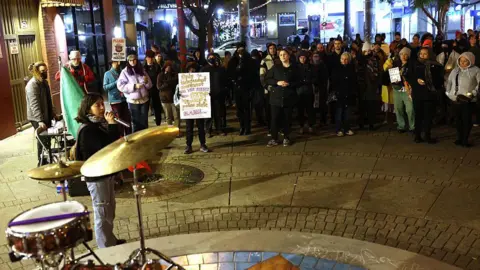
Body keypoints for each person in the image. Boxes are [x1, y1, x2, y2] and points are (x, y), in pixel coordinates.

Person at [74, 93, 125, 248]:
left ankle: (110, 240)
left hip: (106, 174)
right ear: (87, 109)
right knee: (102, 213)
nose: (102, 108)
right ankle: (105, 248)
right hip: (97, 178)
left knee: (109, 209)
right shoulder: (88, 130)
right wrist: (112, 125)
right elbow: (108, 148)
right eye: (97, 105)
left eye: (102, 104)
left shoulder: (97, 124)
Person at [407, 47, 443, 143]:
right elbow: (409, 76)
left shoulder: (435, 65)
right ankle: (417, 135)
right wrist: (416, 80)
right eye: (421, 53)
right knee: (418, 115)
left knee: (428, 116)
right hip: (418, 94)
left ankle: (427, 135)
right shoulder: (414, 64)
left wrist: (429, 82)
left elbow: (439, 80)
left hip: (429, 94)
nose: (422, 55)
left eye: (425, 54)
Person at [265, 49, 299, 147]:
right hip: (276, 98)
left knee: (287, 119)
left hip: (289, 97)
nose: (283, 56)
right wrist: (277, 82)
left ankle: (286, 137)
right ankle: (274, 138)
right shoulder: (276, 68)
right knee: (275, 119)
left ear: (288, 56)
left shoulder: (294, 68)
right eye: (280, 55)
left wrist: (290, 84)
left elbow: (299, 81)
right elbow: (267, 78)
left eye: (284, 54)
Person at [446, 52, 480, 147]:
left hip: (468, 101)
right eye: (461, 60)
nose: (463, 63)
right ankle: (459, 137)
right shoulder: (455, 70)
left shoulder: (476, 70)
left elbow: (479, 85)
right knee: (458, 120)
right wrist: (449, 93)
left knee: (466, 120)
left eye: (465, 61)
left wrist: (472, 93)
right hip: (455, 99)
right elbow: (449, 82)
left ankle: (465, 139)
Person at [26, 62, 56, 166]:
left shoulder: (44, 82)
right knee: (42, 138)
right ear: (37, 71)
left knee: (47, 138)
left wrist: (52, 113)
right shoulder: (32, 85)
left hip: (45, 114)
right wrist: (40, 121)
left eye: (46, 71)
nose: (45, 73)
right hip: (36, 117)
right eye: (43, 71)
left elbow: (48, 100)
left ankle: (46, 159)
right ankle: (41, 162)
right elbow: (35, 104)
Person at [117, 54, 152, 132]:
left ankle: (145, 138)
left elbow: (149, 85)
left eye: (134, 60)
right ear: (128, 61)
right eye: (130, 60)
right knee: (136, 122)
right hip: (133, 101)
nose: (132, 62)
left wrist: (146, 82)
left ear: (137, 60)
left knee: (144, 121)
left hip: (144, 100)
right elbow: (120, 86)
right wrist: (134, 86)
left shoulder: (141, 70)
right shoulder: (124, 72)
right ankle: (137, 140)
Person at [182, 62, 209, 154]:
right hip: (189, 107)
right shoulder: (184, 80)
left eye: (193, 69)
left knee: (201, 126)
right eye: (190, 69)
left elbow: (205, 90)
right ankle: (188, 145)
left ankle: (203, 144)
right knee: (189, 127)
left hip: (199, 106)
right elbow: (180, 91)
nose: (192, 71)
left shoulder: (200, 79)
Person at [228, 42, 255, 135]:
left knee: (247, 108)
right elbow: (230, 73)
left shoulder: (249, 60)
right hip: (237, 87)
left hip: (246, 87)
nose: (240, 50)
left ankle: (247, 127)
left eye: (242, 48)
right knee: (239, 109)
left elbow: (253, 74)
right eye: (239, 48)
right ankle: (242, 126)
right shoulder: (233, 60)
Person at [201, 53, 227, 136]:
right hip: (207, 95)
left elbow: (224, 81)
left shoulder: (220, 69)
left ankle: (219, 129)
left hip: (218, 95)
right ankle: (208, 130)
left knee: (218, 113)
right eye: (210, 57)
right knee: (208, 114)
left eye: (213, 57)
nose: (212, 58)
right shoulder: (203, 70)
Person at [331, 52, 357, 136]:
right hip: (340, 93)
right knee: (339, 112)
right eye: (342, 59)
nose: (344, 61)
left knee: (347, 113)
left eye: (346, 59)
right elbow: (334, 81)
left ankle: (347, 128)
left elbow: (353, 81)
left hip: (348, 93)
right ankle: (338, 129)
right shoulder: (336, 69)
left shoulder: (351, 68)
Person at [103, 60, 131, 134]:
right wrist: (116, 83)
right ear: (111, 63)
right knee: (119, 119)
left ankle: (129, 134)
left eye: (119, 62)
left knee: (127, 118)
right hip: (115, 100)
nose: (118, 64)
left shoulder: (122, 72)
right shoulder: (107, 73)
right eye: (116, 62)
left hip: (124, 98)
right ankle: (120, 136)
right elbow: (105, 87)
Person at [391, 47, 415, 133]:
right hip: (397, 89)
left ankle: (413, 126)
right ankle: (401, 126)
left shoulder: (412, 65)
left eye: (406, 54)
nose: (403, 56)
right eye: (401, 54)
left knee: (410, 109)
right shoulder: (395, 65)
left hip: (407, 90)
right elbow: (393, 78)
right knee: (398, 109)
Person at [358, 44, 381, 130]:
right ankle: (362, 123)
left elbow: (377, 72)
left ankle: (371, 123)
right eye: (365, 51)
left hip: (371, 86)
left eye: (368, 51)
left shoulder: (374, 59)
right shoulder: (360, 60)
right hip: (362, 86)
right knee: (362, 106)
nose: (367, 52)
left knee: (371, 105)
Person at [260, 43, 279, 134]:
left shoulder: (280, 58)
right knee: (269, 110)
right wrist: (266, 86)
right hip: (269, 89)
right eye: (270, 48)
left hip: (279, 88)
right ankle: (270, 129)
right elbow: (262, 76)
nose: (272, 50)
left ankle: (279, 128)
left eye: (274, 48)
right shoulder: (265, 60)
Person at [297, 50, 315, 133]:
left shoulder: (311, 67)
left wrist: (307, 81)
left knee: (310, 109)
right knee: (300, 110)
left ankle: (311, 125)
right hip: (299, 92)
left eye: (304, 57)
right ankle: (301, 125)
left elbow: (314, 78)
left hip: (309, 91)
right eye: (301, 57)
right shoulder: (296, 67)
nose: (303, 59)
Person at [157, 61, 179, 127]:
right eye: (167, 67)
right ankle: (170, 130)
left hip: (174, 98)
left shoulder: (174, 74)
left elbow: (176, 83)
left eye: (170, 67)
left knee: (176, 116)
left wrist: (168, 82)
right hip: (165, 98)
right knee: (168, 116)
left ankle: (177, 129)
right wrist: (167, 83)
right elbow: (159, 87)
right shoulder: (161, 75)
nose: (168, 68)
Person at [144, 49, 163, 126]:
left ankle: (158, 124)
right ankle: (145, 125)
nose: (150, 59)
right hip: (146, 91)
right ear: (146, 58)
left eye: (152, 57)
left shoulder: (157, 67)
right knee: (145, 109)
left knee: (157, 107)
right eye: (149, 57)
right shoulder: (143, 67)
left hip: (155, 90)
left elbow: (159, 78)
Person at [311, 51, 329, 126]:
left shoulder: (323, 66)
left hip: (322, 88)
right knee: (313, 106)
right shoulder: (310, 66)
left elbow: (325, 78)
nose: (316, 58)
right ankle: (313, 121)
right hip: (313, 88)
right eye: (314, 56)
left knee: (322, 105)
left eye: (317, 56)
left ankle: (323, 121)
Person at [250, 49, 266, 127]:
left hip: (253, 86)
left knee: (255, 104)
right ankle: (260, 119)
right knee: (259, 104)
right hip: (259, 86)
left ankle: (256, 119)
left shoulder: (250, 63)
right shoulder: (260, 62)